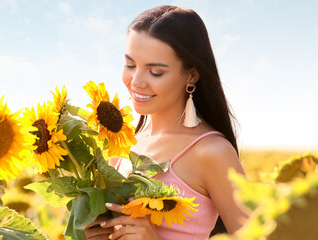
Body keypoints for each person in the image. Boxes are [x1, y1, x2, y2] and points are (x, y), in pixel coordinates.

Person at [85, 5, 247, 240]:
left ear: (192, 74)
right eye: (130, 65)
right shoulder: (121, 144)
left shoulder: (212, 152)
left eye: (155, 72)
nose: (136, 82)